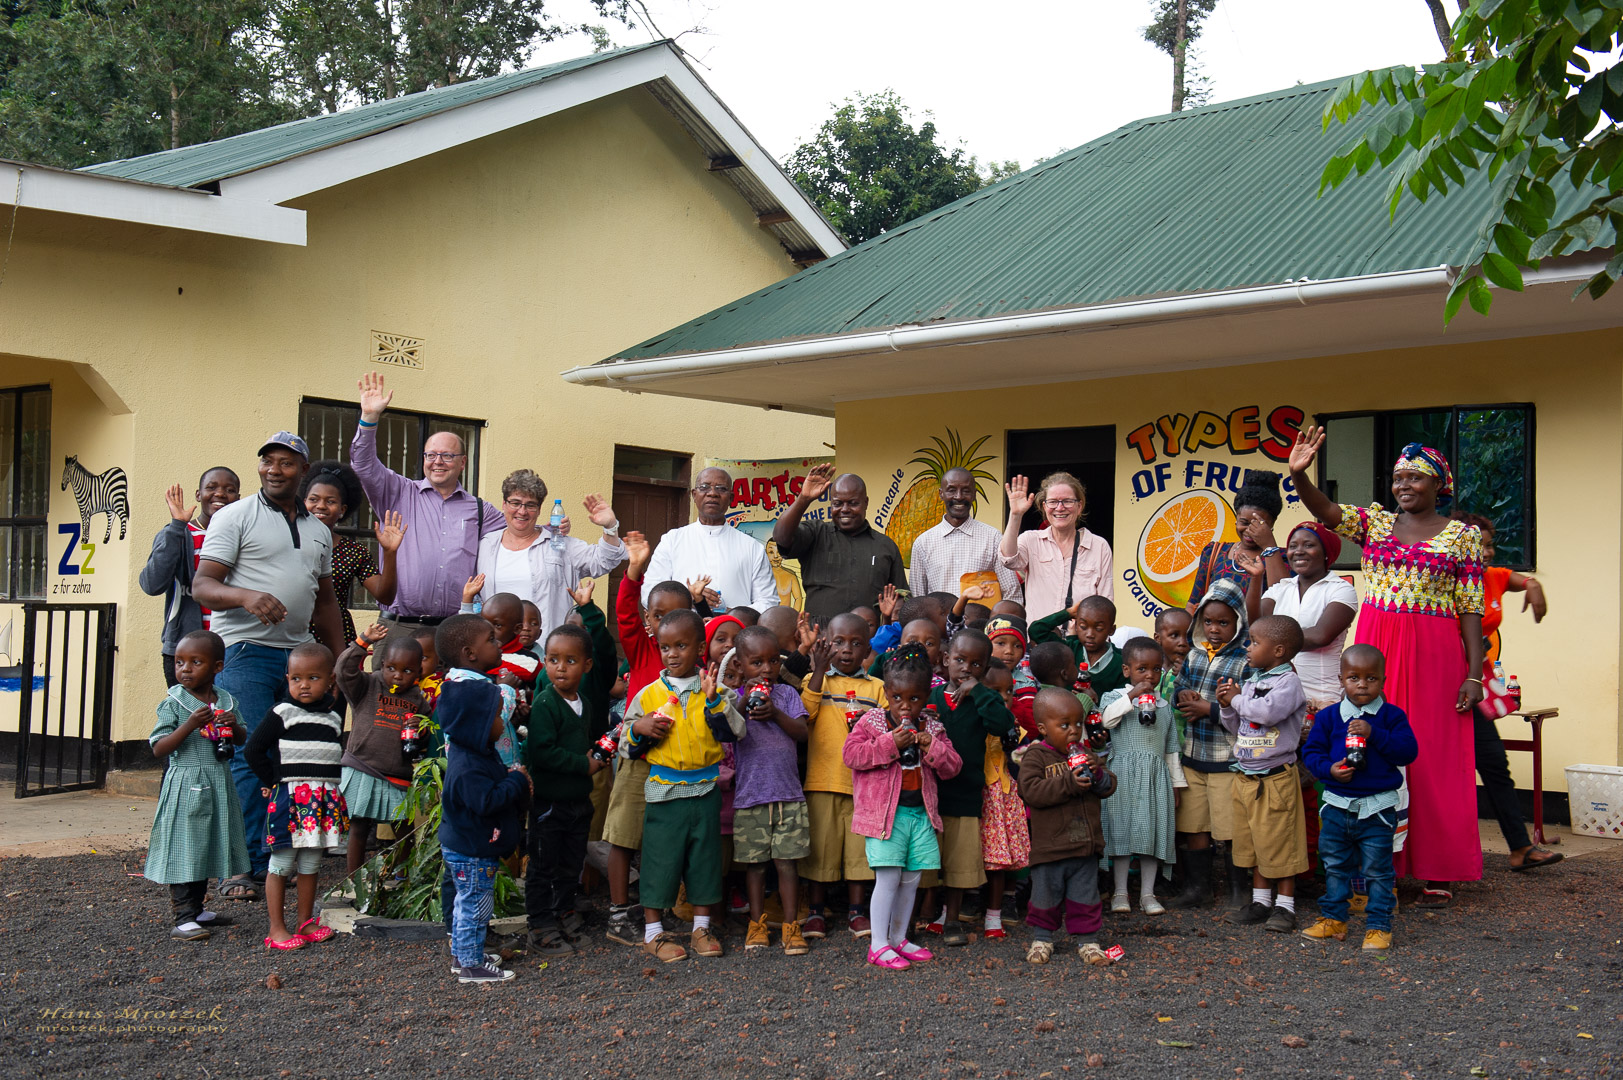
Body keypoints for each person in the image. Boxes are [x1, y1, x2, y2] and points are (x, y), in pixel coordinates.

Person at [1289, 429, 1486, 908]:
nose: (1404, 485)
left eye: (1415, 477)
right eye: (1399, 478)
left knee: (1434, 755)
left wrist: (1474, 674)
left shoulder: (1463, 537)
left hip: (1437, 652)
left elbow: (1471, 608)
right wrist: (1299, 476)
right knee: (1369, 743)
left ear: (1439, 484)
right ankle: (1379, 867)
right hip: (1377, 650)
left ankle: (1437, 866)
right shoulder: (1375, 523)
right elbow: (1326, 511)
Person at [193, 432, 343, 900]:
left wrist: (340, 662)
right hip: (245, 651)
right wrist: (246, 596)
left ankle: (279, 857)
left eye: (286, 463)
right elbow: (203, 585)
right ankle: (241, 867)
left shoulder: (319, 530)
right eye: (268, 462)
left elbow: (325, 601)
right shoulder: (235, 516)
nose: (275, 470)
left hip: (298, 655)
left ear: (303, 471)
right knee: (249, 752)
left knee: (293, 755)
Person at [621, 609, 745, 963]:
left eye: (681, 646)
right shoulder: (648, 695)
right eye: (665, 647)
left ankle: (701, 928)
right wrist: (639, 729)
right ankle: (653, 933)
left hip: (706, 789)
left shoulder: (716, 690)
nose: (672, 654)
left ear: (700, 649)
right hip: (664, 791)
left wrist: (714, 700)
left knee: (704, 859)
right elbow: (626, 744)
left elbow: (735, 732)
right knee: (660, 860)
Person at [351, 372, 503, 644]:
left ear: (463, 462)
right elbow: (363, 465)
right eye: (431, 455)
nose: (438, 462)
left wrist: (553, 529)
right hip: (398, 629)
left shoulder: (480, 510)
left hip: (453, 632)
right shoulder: (396, 492)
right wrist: (369, 418)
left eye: (447, 455)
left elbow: (519, 529)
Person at [1452, 511, 1562, 873]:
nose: (1487, 552)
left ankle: (1520, 848)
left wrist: (1534, 586)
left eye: (1489, 545)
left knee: (1494, 763)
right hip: (1442, 686)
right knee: (1446, 771)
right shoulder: (1440, 584)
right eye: (1479, 545)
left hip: (1475, 686)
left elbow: (1520, 579)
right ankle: (1441, 857)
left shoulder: (1492, 578)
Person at [843, 643, 963, 970]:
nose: (905, 706)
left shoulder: (933, 727)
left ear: (926, 697)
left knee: (911, 880)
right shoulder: (871, 722)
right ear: (886, 693)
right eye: (897, 697)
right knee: (888, 878)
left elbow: (953, 767)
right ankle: (878, 945)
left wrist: (930, 744)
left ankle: (898, 939)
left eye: (914, 698)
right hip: (886, 817)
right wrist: (890, 742)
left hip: (920, 815)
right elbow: (851, 756)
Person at [603, 532, 695, 946]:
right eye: (658, 616)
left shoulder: (694, 659)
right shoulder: (643, 650)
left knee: (664, 840)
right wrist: (634, 571)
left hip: (676, 763)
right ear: (648, 619)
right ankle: (618, 913)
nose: (666, 625)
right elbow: (624, 613)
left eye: (676, 616)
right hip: (638, 759)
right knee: (624, 836)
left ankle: (658, 907)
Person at [1302, 645, 1419, 952]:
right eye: (1354, 677)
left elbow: (1408, 752)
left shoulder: (1392, 717)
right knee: (1335, 865)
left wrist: (1374, 733)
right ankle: (1334, 919)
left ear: (1383, 680)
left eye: (1371, 678)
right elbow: (1311, 753)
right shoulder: (1329, 718)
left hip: (1377, 809)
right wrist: (1329, 770)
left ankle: (1378, 926)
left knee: (1378, 871)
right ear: (1341, 679)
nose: (1362, 684)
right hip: (1337, 806)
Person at [434, 613, 530, 983]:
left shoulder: (472, 754)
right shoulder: (468, 766)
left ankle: (464, 955)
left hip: (467, 843)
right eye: (495, 720)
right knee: (475, 904)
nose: (501, 723)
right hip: (471, 849)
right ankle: (471, 965)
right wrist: (516, 780)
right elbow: (487, 801)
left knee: (468, 902)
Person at [143, 630, 249, 941]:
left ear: (217, 667)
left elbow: (242, 737)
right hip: (186, 781)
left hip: (218, 781)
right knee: (185, 846)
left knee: (207, 843)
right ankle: (183, 917)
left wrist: (233, 726)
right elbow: (159, 748)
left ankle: (198, 909)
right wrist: (190, 725)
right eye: (179, 662)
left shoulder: (225, 701)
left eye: (195, 662)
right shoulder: (174, 703)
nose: (185, 669)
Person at [243, 642, 348, 950]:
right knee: (282, 861)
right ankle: (276, 928)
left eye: (313, 678)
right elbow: (253, 750)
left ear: (330, 680)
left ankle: (305, 921)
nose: (304, 685)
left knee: (311, 862)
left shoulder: (333, 718)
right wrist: (274, 781)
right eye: (296, 678)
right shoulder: (282, 713)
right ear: (287, 678)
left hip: (322, 802)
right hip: (290, 800)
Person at [925, 628, 1021, 945]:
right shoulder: (932, 697)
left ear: (985, 668)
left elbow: (1002, 724)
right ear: (945, 659)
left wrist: (979, 691)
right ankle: (928, 914)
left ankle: (953, 919)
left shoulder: (985, 700)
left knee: (958, 864)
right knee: (930, 862)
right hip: (931, 795)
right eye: (960, 660)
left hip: (967, 795)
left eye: (976, 664)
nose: (966, 668)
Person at [1215, 615, 1310, 932]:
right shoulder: (1253, 681)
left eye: (1255, 642)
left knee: (1280, 843)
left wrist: (1237, 699)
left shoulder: (1288, 683)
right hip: (1246, 776)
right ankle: (1260, 901)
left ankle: (1285, 907)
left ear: (1278, 650)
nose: (1248, 647)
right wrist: (1226, 706)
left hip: (1275, 779)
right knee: (1255, 842)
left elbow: (1267, 713)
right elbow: (1239, 727)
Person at [800, 612, 886, 939]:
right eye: (838, 642)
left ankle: (856, 911)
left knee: (859, 853)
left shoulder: (876, 687)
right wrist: (818, 671)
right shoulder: (817, 682)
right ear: (825, 644)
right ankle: (816, 911)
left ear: (868, 649)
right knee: (820, 851)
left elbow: (886, 728)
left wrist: (867, 724)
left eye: (856, 643)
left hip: (864, 785)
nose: (846, 649)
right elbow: (805, 714)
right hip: (822, 780)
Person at [1018, 687, 1118, 966]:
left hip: (1085, 844)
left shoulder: (1086, 753)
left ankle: (1088, 941)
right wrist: (1068, 783)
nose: (1074, 731)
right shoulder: (1036, 756)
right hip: (1050, 847)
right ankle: (1042, 939)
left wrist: (1099, 774)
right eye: (1064, 725)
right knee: (1045, 896)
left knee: (1085, 896)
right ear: (1043, 728)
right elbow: (1031, 791)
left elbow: (1108, 786)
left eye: (1077, 724)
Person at [1170, 579, 1251, 910]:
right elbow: (1177, 687)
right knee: (1195, 825)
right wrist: (1183, 695)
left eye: (1223, 622)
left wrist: (1209, 709)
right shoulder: (1194, 654)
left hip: (1226, 759)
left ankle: (1239, 893)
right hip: (1193, 755)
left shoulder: (1246, 661)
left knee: (1230, 828)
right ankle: (1199, 890)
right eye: (1208, 621)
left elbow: (1248, 711)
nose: (1214, 629)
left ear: (1238, 623)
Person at [523, 624, 604, 956]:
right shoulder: (546, 703)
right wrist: (583, 765)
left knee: (571, 863)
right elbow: (542, 752)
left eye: (570, 661)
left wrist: (596, 757)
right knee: (543, 865)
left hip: (578, 801)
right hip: (549, 803)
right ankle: (540, 925)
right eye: (553, 659)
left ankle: (564, 912)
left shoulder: (584, 703)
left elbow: (582, 744)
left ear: (586, 665)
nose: (560, 667)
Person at [732, 625, 813, 955]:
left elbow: (802, 733)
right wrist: (744, 700)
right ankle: (757, 924)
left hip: (788, 795)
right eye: (756, 662)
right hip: (751, 797)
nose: (767, 668)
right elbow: (726, 731)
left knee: (787, 864)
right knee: (755, 866)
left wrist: (776, 713)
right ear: (739, 665)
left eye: (773, 661)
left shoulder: (787, 696)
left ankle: (791, 927)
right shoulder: (734, 699)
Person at [470, 469, 625, 639]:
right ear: (504, 504)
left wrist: (610, 526)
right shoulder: (485, 545)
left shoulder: (560, 545)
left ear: (539, 509)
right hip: (498, 649)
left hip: (547, 649)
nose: (522, 511)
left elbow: (604, 561)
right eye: (515, 503)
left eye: (530, 505)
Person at [1098, 638, 1185, 916]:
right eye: (1142, 669)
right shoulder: (1114, 698)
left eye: (1156, 669)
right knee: (1121, 833)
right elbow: (1106, 720)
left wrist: (1176, 785)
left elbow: (1171, 749)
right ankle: (1120, 892)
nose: (1150, 675)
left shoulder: (1164, 707)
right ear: (1127, 670)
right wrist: (1132, 696)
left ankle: (1148, 893)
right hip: (1121, 777)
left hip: (1155, 777)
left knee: (1151, 834)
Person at [335, 624, 427, 876]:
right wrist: (362, 642)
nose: (397, 676)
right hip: (362, 766)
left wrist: (420, 728)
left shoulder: (418, 699)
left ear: (418, 672)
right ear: (382, 664)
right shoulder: (367, 685)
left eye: (407, 671)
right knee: (359, 826)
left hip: (397, 774)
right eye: (391, 668)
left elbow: (426, 738)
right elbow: (343, 671)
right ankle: (353, 879)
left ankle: (402, 879)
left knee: (403, 827)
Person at [140, 468, 240, 687]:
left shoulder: (244, 536)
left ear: (238, 499)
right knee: (188, 710)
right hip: (185, 650)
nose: (220, 493)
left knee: (228, 709)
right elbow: (151, 584)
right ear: (198, 494)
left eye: (229, 490)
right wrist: (177, 526)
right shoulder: (179, 533)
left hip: (233, 649)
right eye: (211, 487)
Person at [773, 464, 909, 623]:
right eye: (837, 503)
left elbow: (901, 598)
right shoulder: (816, 534)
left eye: (853, 503)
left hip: (869, 636)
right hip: (820, 635)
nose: (845, 509)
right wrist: (804, 498)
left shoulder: (885, 546)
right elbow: (781, 537)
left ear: (866, 503)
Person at [1244, 522, 1357, 711]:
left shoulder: (1341, 589)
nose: (1298, 551)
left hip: (1320, 696)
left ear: (1326, 552)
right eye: (1293, 546)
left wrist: (1269, 643)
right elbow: (1256, 626)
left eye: (1308, 545)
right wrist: (1256, 579)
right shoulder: (1281, 588)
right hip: (1276, 694)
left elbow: (1320, 636)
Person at [301, 461, 408, 647]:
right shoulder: (289, 542)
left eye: (330, 501)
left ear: (342, 510)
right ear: (304, 503)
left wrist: (390, 553)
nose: (321, 506)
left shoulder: (354, 551)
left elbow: (384, 596)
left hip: (335, 638)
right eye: (314, 499)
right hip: (292, 636)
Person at [643, 467, 777, 612]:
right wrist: (689, 599)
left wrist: (731, 614)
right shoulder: (672, 541)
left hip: (734, 626)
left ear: (731, 498)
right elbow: (649, 594)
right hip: (683, 626)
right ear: (694, 495)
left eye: (721, 488)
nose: (712, 493)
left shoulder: (752, 547)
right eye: (704, 487)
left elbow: (769, 602)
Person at [999, 472, 1113, 621]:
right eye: (1053, 502)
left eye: (1067, 501)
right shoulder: (1031, 540)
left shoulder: (1099, 546)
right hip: (1038, 635)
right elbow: (1008, 560)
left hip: (1079, 635)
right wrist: (1015, 515)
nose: (1060, 508)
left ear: (1079, 506)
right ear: (1044, 507)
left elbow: (1105, 604)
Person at [910, 467, 1023, 603]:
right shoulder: (923, 543)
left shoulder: (993, 538)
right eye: (952, 490)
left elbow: (1012, 594)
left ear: (974, 495)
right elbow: (917, 600)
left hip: (981, 618)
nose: (959, 496)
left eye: (966, 491)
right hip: (939, 618)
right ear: (941, 494)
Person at [977, 660, 1028, 938]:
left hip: (1002, 799)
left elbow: (1021, 761)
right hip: (978, 797)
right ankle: (955, 909)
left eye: (1009, 691)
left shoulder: (1014, 729)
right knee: (968, 857)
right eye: (996, 691)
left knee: (999, 861)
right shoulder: (972, 725)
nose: (1005, 697)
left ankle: (994, 915)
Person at [1185, 472, 1283, 615]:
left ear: (1272, 523)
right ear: (1236, 519)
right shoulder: (1214, 552)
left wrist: (1269, 545)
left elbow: (1283, 599)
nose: (1249, 530)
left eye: (1258, 524)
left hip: (1259, 630)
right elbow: (1192, 604)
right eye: (1244, 522)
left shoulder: (1282, 558)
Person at [1030, 595, 1128, 705]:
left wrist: (1095, 701)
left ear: (1111, 630)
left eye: (1098, 628)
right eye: (1083, 626)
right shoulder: (1067, 650)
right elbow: (1036, 630)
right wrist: (1068, 613)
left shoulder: (1122, 663)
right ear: (1076, 626)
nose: (1090, 634)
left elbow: (1120, 704)